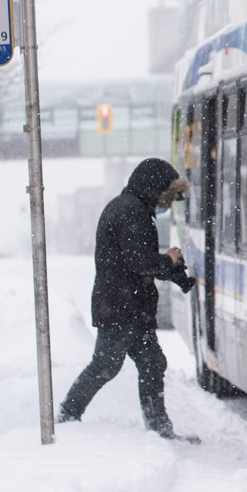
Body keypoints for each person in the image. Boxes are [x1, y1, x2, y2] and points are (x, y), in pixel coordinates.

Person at [58, 158, 197, 441]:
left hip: (132, 307)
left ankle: (159, 427)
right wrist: (167, 259)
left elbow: (140, 262)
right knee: (106, 365)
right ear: (153, 189)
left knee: (152, 362)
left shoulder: (134, 209)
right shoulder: (129, 212)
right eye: (166, 197)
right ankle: (67, 414)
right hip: (120, 307)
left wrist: (170, 269)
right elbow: (138, 262)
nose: (166, 205)